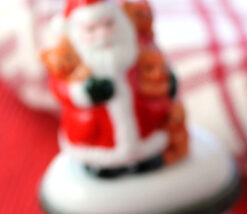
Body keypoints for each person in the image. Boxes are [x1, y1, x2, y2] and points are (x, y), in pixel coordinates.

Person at [43, 0, 175, 175]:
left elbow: (157, 63)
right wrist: (84, 93)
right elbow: (59, 87)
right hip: (96, 134)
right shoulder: (69, 60)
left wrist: (168, 81)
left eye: (109, 24)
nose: (103, 34)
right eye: (91, 30)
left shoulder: (136, 47)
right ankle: (103, 167)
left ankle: (146, 159)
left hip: (146, 125)